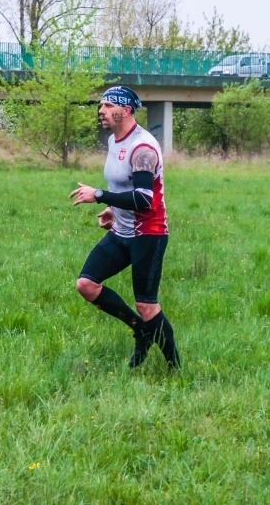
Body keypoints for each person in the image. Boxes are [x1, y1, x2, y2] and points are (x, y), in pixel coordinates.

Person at [69, 86, 180, 370]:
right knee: (86, 284)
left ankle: (175, 369)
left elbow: (144, 199)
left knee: (147, 306)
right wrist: (112, 209)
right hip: (121, 231)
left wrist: (100, 196)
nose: (101, 110)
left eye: (107, 105)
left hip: (148, 234)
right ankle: (140, 331)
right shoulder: (114, 141)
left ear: (126, 110)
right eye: (101, 105)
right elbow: (123, 186)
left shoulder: (143, 148)